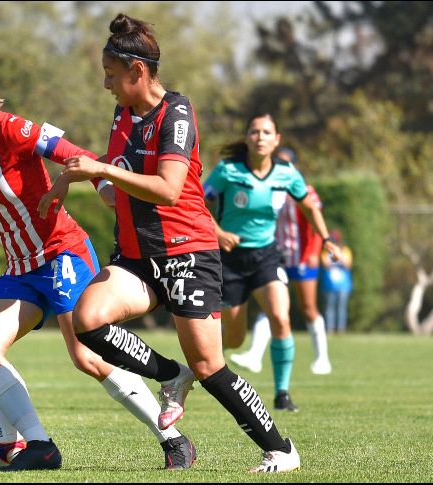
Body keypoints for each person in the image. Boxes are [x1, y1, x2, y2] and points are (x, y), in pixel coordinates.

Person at [0, 64, 197, 471]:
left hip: (62, 253)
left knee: (86, 357)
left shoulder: (8, 129)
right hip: (20, 267)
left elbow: (73, 153)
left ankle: (173, 441)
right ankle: (41, 446)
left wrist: (105, 188)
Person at [40, 13, 301, 473]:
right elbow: (115, 170)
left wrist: (101, 172)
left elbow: (168, 188)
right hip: (138, 257)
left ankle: (281, 449)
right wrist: (72, 176)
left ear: (138, 72)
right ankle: (169, 376)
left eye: (112, 75)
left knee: (210, 367)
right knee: (88, 319)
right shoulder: (122, 113)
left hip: (188, 252)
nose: (107, 85)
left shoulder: (176, 112)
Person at [202, 114, 340, 413]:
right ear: (247, 137)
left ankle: (282, 394)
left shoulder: (287, 173)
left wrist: (327, 239)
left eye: (267, 132)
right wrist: (220, 233)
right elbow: (197, 203)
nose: (260, 136)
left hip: (267, 256)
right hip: (231, 260)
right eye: (254, 131)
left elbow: (309, 205)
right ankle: (202, 363)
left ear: (276, 140)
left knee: (281, 316)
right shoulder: (228, 170)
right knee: (235, 339)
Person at [229, 146, 332, 376]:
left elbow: (315, 222)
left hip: (302, 257)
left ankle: (322, 359)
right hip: (275, 256)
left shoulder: (304, 190)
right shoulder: (268, 188)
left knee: (308, 308)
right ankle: (254, 355)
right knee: (272, 306)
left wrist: (314, 252)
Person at [320, 229, 353, 334]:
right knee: (330, 308)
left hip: (343, 285)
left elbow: (348, 264)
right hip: (329, 285)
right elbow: (325, 264)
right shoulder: (326, 252)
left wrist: (340, 258)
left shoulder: (346, 251)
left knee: (341, 308)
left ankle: (341, 329)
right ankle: (330, 328)